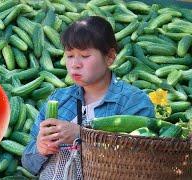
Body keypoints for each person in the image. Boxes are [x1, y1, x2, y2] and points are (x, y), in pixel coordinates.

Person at [21, 16, 155, 179]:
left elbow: (138, 161)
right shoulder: (59, 99)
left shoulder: (134, 102)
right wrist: (40, 149)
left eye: (85, 56)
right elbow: (28, 162)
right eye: (70, 56)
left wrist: (82, 135)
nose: (75, 64)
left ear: (110, 57)